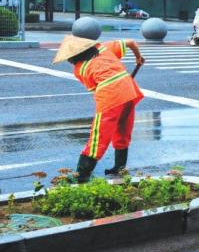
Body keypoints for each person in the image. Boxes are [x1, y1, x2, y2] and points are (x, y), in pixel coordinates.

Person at [53, 35, 145, 181]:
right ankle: (120, 168)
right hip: (129, 89)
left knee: (99, 135)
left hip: (110, 95)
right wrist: (138, 58)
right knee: (123, 128)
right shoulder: (103, 47)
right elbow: (131, 42)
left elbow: (96, 89)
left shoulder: (80, 69)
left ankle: (82, 174)